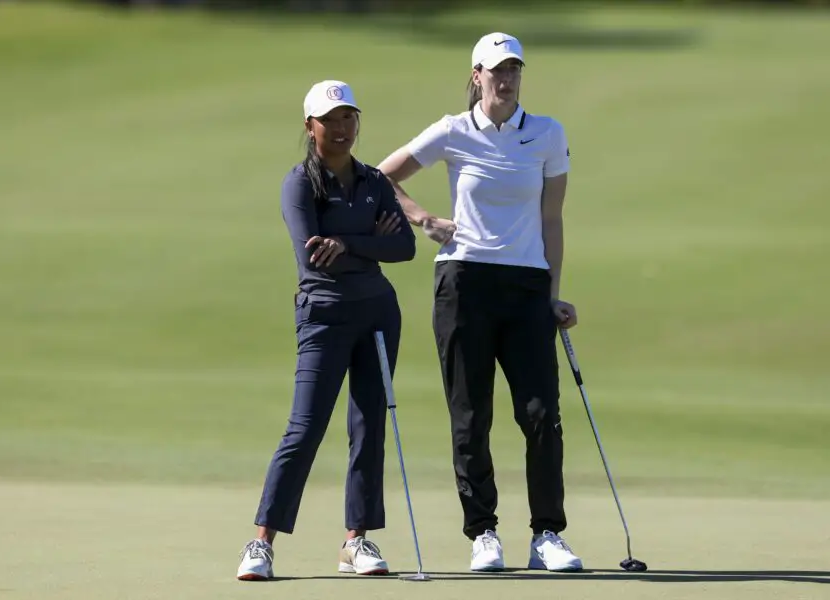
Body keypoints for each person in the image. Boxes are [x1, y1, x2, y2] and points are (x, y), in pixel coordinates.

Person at [377, 32, 583, 573]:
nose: (507, 78)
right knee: (471, 416)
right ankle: (483, 533)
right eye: (497, 70)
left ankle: (547, 536)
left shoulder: (546, 134)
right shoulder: (453, 130)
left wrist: (553, 294)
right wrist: (423, 219)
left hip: (526, 286)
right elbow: (381, 177)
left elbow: (552, 218)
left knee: (542, 415)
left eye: (515, 69)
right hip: (463, 282)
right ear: (477, 75)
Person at [237, 80, 416, 581]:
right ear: (310, 126)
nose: (342, 129)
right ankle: (261, 542)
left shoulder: (375, 181)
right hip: (323, 314)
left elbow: (404, 247)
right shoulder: (299, 184)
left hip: (379, 313)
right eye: (331, 120)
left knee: (369, 425)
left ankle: (356, 541)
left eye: (349, 118)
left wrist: (345, 240)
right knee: (305, 427)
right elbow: (312, 256)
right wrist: (363, 240)